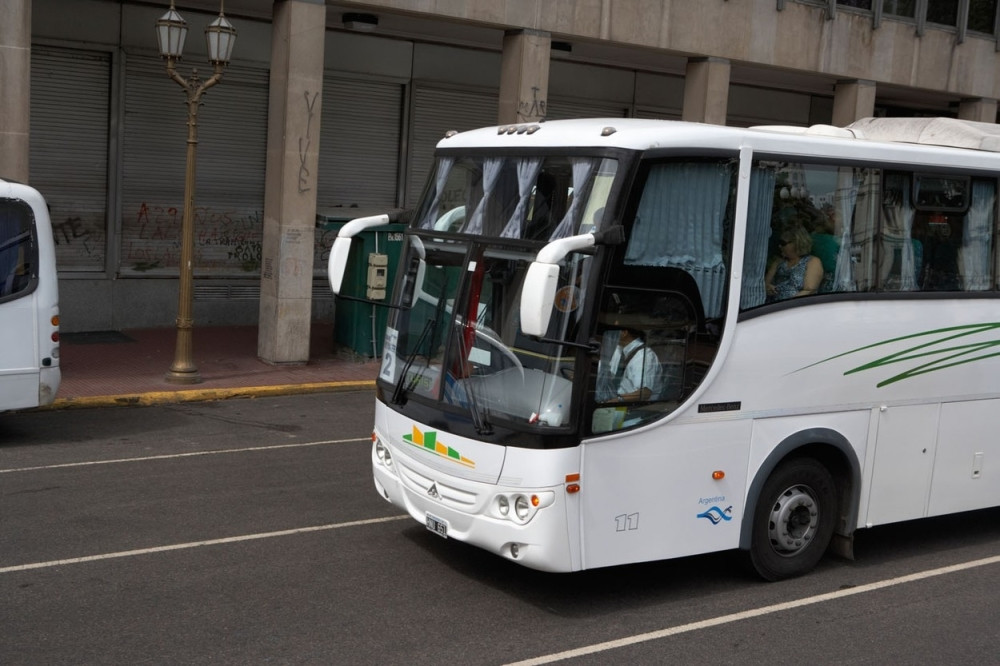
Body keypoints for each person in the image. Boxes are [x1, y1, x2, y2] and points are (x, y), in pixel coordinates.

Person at [765, 224, 823, 302]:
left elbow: (809, 291)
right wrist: (768, 288)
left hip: (797, 305)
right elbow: (766, 284)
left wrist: (787, 303)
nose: (779, 246)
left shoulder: (812, 261)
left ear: (796, 243)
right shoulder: (778, 261)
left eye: (783, 243)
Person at [605, 327, 661, 402]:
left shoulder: (644, 356)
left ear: (624, 333)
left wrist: (618, 400)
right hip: (614, 398)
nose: (610, 335)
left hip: (634, 405)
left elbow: (645, 393)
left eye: (614, 332)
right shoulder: (619, 350)